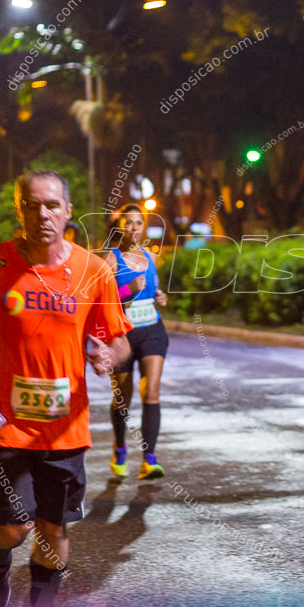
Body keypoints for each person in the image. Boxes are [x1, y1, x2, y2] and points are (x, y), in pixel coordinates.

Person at [0, 170, 131, 607]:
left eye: (52, 204)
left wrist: (110, 355)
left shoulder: (92, 270)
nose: (42, 214)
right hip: (5, 425)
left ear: (69, 211)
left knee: (53, 529)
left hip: (66, 429)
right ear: (20, 210)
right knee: (14, 528)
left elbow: (121, 338)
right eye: (31, 205)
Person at [103, 204, 169, 480]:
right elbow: (103, 300)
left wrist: (161, 297)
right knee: (123, 397)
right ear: (120, 226)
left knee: (151, 391)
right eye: (128, 223)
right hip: (122, 335)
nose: (134, 228)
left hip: (152, 329)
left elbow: (152, 290)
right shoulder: (111, 259)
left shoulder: (150, 257)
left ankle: (149, 459)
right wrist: (128, 289)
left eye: (138, 223)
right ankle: (120, 448)